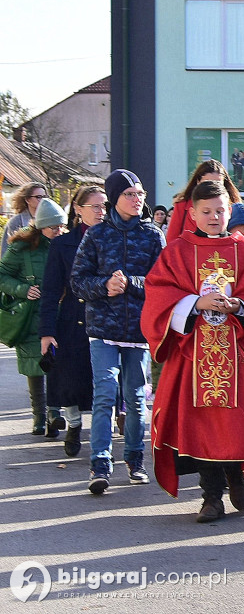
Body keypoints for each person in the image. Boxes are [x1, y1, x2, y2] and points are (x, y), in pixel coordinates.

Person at [142, 180, 244, 522]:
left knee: (237, 423)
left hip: (239, 355)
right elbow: (158, 294)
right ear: (192, 212)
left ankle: (236, 473)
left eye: (220, 210)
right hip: (193, 355)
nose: (213, 217)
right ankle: (211, 497)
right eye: (206, 211)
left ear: (230, 210)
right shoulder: (177, 252)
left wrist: (241, 305)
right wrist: (195, 302)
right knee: (200, 428)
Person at [71, 169, 165, 494]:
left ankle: (135, 461)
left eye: (140, 193)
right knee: (105, 395)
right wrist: (104, 286)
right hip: (103, 329)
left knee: (137, 399)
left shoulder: (153, 235)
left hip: (139, 332)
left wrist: (132, 284)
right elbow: (78, 281)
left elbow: (163, 282)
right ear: (114, 198)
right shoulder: (96, 235)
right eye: (129, 194)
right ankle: (99, 465)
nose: (137, 199)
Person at [39, 186, 106, 455]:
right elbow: (51, 290)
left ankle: (105, 431)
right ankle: (75, 425)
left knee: (102, 378)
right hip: (72, 318)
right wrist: (46, 331)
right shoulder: (62, 244)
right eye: (96, 207)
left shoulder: (113, 238)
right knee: (68, 376)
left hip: (105, 317)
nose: (102, 212)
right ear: (78, 209)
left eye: (105, 206)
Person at [0, 197, 66, 436]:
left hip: (56, 315)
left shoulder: (66, 245)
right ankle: (40, 417)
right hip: (29, 317)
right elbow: (2, 276)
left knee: (56, 364)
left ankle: (54, 414)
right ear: (40, 226)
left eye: (61, 226)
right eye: (53, 227)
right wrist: (23, 289)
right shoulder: (21, 248)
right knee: (35, 368)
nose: (58, 231)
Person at [165, 160, 242, 244]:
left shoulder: (235, 207)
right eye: (207, 182)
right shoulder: (182, 206)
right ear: (198, 182)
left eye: (217, 183)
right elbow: (171, 241)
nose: (212, 187)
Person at [2, 182, 47, 256]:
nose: (42, 200)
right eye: (38, 197)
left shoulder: (50, 218)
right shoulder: (16, 221)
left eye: (44, 197)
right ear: (27, 200)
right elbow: (6, 250)